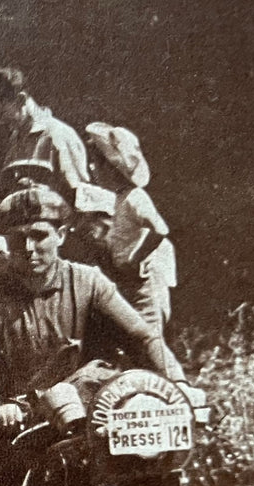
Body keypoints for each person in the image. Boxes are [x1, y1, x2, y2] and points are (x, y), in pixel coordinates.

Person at [0, 182, 186, 486]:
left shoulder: (87, 281)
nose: (29, 247)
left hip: (85, 425)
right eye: (16, 239)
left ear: (60, 234)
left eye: (39, 235)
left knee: (150, 481)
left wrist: (179, 385)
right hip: (11, 432)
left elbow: (142, 335)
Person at [83, 122, 177, 336]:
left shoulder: (134, 197)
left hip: (144, 281)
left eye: (96, 163)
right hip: (129, 280)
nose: (91, 169)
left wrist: (136, 258)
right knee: (134, 335)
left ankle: (159, 368)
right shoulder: (120, 199)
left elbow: (159, 229)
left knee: (149, 336)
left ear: (112, 167)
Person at [0, 67, 89, 203]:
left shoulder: (58, 135)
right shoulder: (16, 138)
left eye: (1, 114)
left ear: (21, 100)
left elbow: (81, 198)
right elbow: (4, 190)